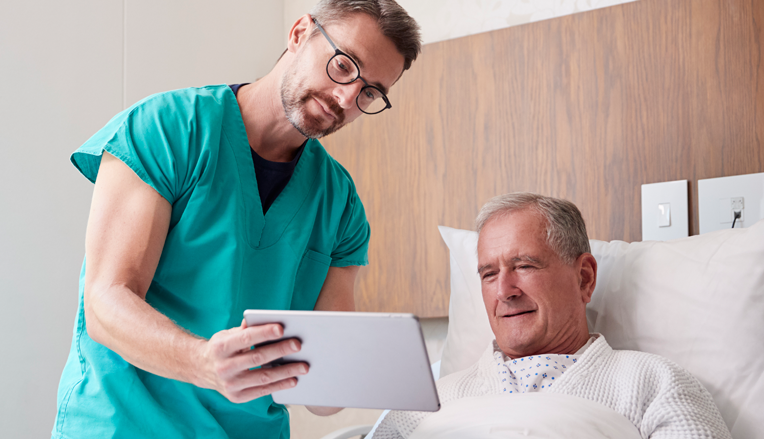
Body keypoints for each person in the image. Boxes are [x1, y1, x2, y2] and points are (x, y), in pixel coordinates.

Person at [52, 1, 421, 438]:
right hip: (125, 425)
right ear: (300, 33)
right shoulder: (169, 129)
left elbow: (322, 398)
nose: (346, 97)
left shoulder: (339, 204)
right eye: (344, 66)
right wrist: (201, 362)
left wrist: (372, 369)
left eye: (370, 93)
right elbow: (105, 302)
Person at [372, 193, 732, 439]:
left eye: (524, 265)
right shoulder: (428, 401)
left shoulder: (654, 384)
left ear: (584, 278)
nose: (504, 291)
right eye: (488, 274)